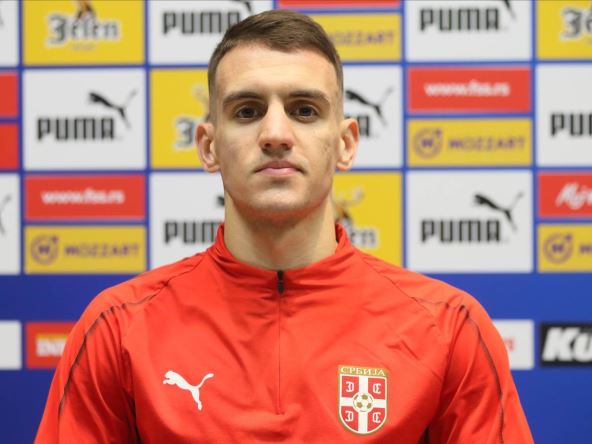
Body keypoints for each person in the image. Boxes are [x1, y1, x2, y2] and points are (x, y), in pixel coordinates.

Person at [36, 9, 533, 443]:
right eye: (248, 111)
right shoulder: (118, 329)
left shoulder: (449, 329)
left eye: (304, 110)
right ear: (209, 146)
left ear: (345, 144)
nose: (276, 134)